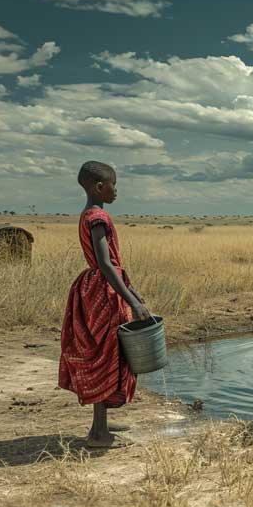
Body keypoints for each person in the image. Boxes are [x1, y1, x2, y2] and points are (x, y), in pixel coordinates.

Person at [60, 161, 151, 448]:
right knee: (105, 355)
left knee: (107, 352)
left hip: (99, 289)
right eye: (114, 184)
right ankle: (99, 434)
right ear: (99, 187)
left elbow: (112, 264)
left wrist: (133, 292)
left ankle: (102, 422)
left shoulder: (89, 214)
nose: (116, 190)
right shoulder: (97, 217)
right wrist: (131, 301)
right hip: (103, 293)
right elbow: (105, 264)